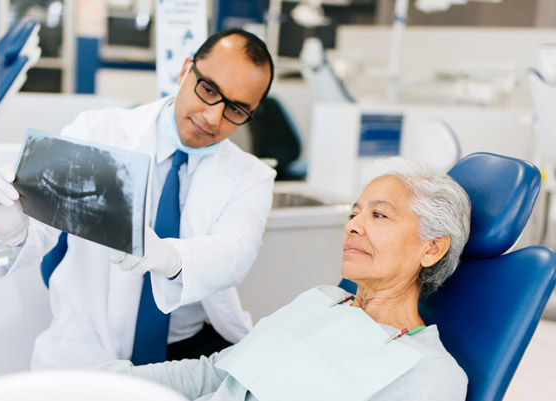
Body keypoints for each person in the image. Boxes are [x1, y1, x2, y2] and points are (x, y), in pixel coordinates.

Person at [0, 29, 276, 369]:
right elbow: (28, 243)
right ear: (186, 69)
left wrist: (171, 257)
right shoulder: (97, 132)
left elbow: (236, 252)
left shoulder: (251, 175)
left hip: (185, 349)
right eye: (209, 90)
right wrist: (8, 232)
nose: (213, 117)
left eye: (237, 109)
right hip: (86, 347)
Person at [98, 157, 471, 401]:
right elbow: (213, 374)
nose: (354, 226)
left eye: (379, 216)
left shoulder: (432, 373)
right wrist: (109, 382)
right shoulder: (321, 300)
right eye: (355, 213)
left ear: (432, 248)